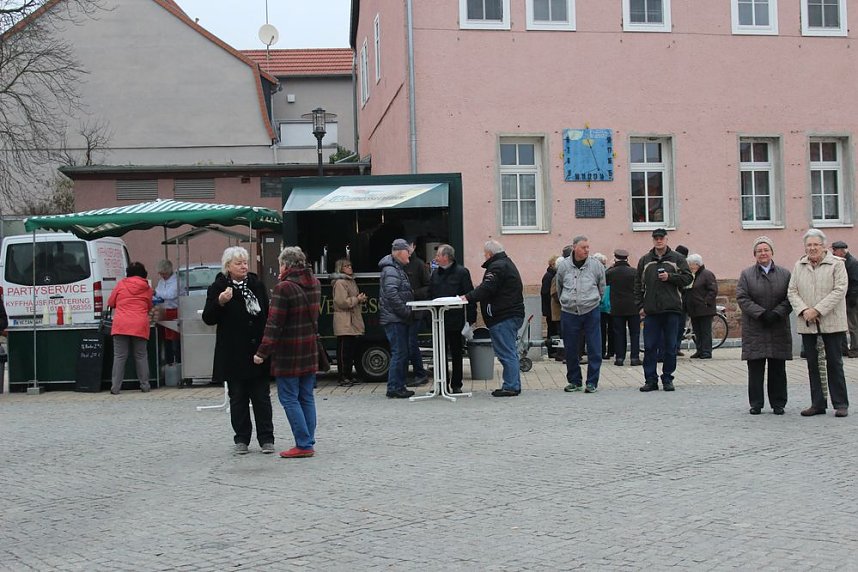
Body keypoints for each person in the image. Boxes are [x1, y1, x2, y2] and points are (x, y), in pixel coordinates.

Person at [202, 247, 274, 455]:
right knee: (238, 397)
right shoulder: (218, 287)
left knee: (261, 397)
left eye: (245, 262)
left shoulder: (256, 284)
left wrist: (265, 347)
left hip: (256, 351)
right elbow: (208, 318)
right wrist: (220, 302)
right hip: (233, 352)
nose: (243, 266)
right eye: (238, 263)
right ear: (228, 267)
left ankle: (266, 438)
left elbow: (266, 314)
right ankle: (241, 438)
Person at [254, 246, 322, 458]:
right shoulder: (315, 283)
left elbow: (274, 324)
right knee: (306, 397)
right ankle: (308, 440)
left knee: (289, 398)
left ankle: (303, 444)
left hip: (289, 352)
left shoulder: (284, 288)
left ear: (286, 265)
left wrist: (262, 352)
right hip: (309, 348)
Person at [787, 229, 850, 418]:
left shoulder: (837, 265)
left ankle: (840, 403)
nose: (812, 248)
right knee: (813, 364)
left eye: (816, 245)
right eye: (809, 245)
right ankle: (818, 403)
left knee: (834, 363)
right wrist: (805, 310)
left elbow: (839, 290)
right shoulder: (799, 265)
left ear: (823, 246)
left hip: (831, 321)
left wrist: (818, 310)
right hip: (807, 323)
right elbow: (792, 291)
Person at [736, 236, 792, 415]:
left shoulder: (785, 274)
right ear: (754, 254)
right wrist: (760, 313)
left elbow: (790, 297)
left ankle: (778, 403)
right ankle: (756, 403)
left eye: (766, 250)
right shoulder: (746, 274)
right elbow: (742, 298)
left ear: (772, 252)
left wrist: (777, 313)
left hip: (777, 325)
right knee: (755, 368)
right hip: (755, 327)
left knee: (777, 368)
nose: (763, 253)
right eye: (759, 250)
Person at [462, 239, 525, 397]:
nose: (484, 257)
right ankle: (513, 384)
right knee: (510, 351)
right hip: (511, 314)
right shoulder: (506, 263)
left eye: (485, 254)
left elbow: (487, 288)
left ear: (489, 254)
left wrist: (467, 297)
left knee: (506, 352)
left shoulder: (497, 267)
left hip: (503, 316)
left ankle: (511, 386)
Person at [634, 228, 693, 392]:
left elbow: (688, 278)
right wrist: (640, 305)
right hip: (651, 310)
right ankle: (650, 379)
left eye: (661, 238)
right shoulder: (645, 260)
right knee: (650, 346)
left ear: (666, 239)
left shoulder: (677, 258)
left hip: (672, 309)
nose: (658, 241)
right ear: (653, 240)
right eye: (656, 238)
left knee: (670, 346)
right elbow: (638, 284)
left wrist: (670, 277)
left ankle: (667, 378)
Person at [556, 236, 606, 393]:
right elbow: (559, 287)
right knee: (570, 348)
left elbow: (601, 287)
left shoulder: (596, 265)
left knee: (594, 347)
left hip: (591, 310)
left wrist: (593, 301)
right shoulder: (564, 266)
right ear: (574, 248)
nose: (587, 250)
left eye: (588, 247)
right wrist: (567, 301)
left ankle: (592, 382)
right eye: (583, 247)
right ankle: (574, 381)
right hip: (569, 312)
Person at [428, 244, 476, 394]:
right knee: (439, 353)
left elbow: (470, 295)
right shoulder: (435, 274)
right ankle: (441, 383)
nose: (435, 258)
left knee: (456, 353)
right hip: (438, 320)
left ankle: (456, 384)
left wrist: (471, 318)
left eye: (438, 256)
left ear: (446, 257)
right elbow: (431, 295)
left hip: (455, 319)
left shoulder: (462, 272)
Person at [107, 262, 154, 395]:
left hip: (121, 324)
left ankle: (115, 388)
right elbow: (149, 305)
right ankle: (145, 385)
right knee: (141, 356)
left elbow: (111, 303)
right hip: (139, 324)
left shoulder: (121, 284)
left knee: (119, 357)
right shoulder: (147, 288)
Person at [378, 239, 416, 399]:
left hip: (397, 317)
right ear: (400, 252)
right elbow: (392, 295)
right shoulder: (392, 270)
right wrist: (405, 311)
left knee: (401, 352)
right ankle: (394, 387)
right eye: (408, 251)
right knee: (399, 352)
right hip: (395, 318)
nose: (410, 254)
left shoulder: (396, 268)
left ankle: (399, 385)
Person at [331, 258, 366, 386]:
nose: (350, 267)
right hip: (344, 320)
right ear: (340, 268)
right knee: (343, 351)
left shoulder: (351, 281)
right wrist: (357, 299)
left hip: (351, 319)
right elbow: (341, 302)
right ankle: (343, 376)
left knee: (350, 350)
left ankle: (349, 375)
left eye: (350, 265)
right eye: (346, 266)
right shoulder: (340, 283)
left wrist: (359, 299)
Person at [606, 249, 641, 367]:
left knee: (619, 333)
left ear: (615, 258)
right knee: (635, 333)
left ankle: (620, 357)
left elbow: (604, 284)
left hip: (617, 308)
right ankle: (635, 358)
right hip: (633, 307)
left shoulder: (610, 272)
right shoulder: (634, 272)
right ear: (627, 259)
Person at [404, 238, 430, 386]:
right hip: (403, 310)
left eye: (408, 246)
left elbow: (428, 287)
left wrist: (413, 293)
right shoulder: (400, 264)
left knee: (411, 343)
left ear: (413, 246)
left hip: (416, 310)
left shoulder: (419, 264)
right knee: (406, 344)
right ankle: (413, 373)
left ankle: (420, 373)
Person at [685, 253, 718, 359]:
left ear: (696, 264)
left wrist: (706, 302)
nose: (689, 266)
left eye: (690, 264)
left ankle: (707, 351)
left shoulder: (707, 274)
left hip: (705, 309)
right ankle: (699, 350)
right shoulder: (693, 275)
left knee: (705, 331)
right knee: (697, 331)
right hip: (694, 309)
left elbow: (713, 290)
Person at [831, 240, 858, 357]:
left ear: (841, 251)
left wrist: (852, 298)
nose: (833, 253)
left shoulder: (852, 263)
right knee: (842, 324)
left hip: (852, 298)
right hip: (844, 298)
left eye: (834, 251)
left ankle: (855, 349)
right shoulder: (842, 261)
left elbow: (854, 282)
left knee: (853, 325)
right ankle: (844, 349)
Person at [154, 259, 180, 365]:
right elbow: (158, 294)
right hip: (164, 311)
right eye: (161, 274)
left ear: (169, 271)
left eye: (163, 273)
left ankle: (177, 361)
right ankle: (168, 361)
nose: (162, 276)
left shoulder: (176, 281)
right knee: (165, 340)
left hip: (175, 311)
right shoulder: (161, 282)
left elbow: (170, 295)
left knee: (175, 340)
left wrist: (156, 293)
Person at [540, 255, 561, 359]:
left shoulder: (551, 275)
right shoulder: (549, 276)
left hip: (551, 309)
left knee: (554, 330)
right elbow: (545, 293)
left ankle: (555, 351)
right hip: (551, 309)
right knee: (552, 331)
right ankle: (552, 351)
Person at [673, 244, 690, 357]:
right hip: (677, 300)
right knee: (677, 326)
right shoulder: (678, 266)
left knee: (679, 326)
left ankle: (676, 347)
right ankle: (675, 347)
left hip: (679, 300)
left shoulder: (677, 264)